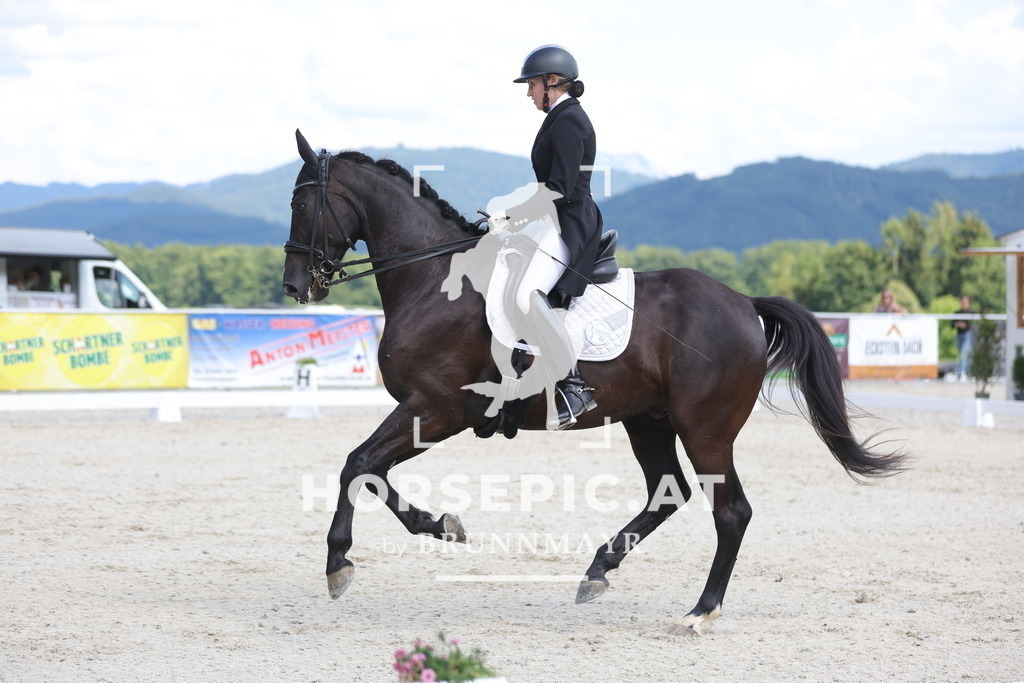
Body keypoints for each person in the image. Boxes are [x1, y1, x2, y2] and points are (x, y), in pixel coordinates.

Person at [505, 44, 603, 429]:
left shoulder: (569, 122)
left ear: (552, 82)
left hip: (571, 223)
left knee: (526, 294)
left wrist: (515, 215)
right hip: (554, 220)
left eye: (531, 85)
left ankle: (573, 385)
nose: (528, 93)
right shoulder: (559, 119)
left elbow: (560, 187)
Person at [951, 294, 976, 380]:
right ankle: (965, 372)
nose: (964, 304)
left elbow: (973, 325)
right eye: (963, 302)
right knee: (961, 354)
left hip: (968, 335)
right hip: (959, 335)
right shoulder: (957, 313)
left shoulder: (972, 313)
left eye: (966, 302)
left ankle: (962, 373)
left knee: (964, 353)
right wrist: (958, 324)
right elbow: (952, 324)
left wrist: (965, 325)